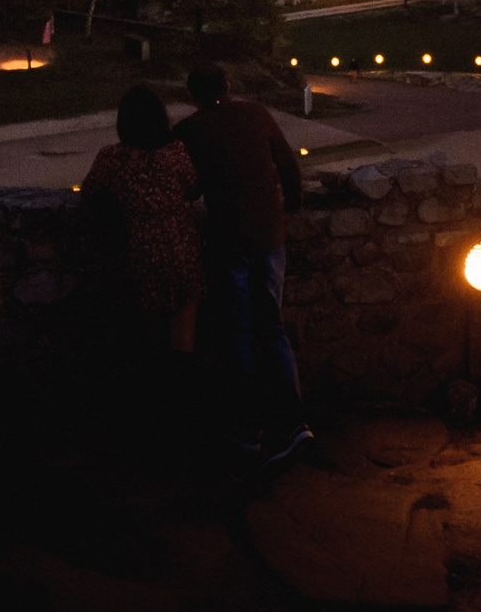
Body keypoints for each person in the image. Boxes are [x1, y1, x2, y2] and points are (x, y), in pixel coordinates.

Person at [171, 60, 310, 464]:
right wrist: (293, 205)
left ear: (192, 95)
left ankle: (249, 430)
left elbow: (180, 182)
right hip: (269, 235)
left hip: (229, 238)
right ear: (228, 85)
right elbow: (286, 164)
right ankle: (294, 423)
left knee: (239, 331)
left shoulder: (189, 130)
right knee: (272, 326)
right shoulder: (256, 113)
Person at [79, 84, 204, 358]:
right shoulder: (175, 153)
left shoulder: (112, 158)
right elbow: (194, 189)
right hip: (181, 252)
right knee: (183, 343)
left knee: (148, 343)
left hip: (140, 258)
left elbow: (87, 195)